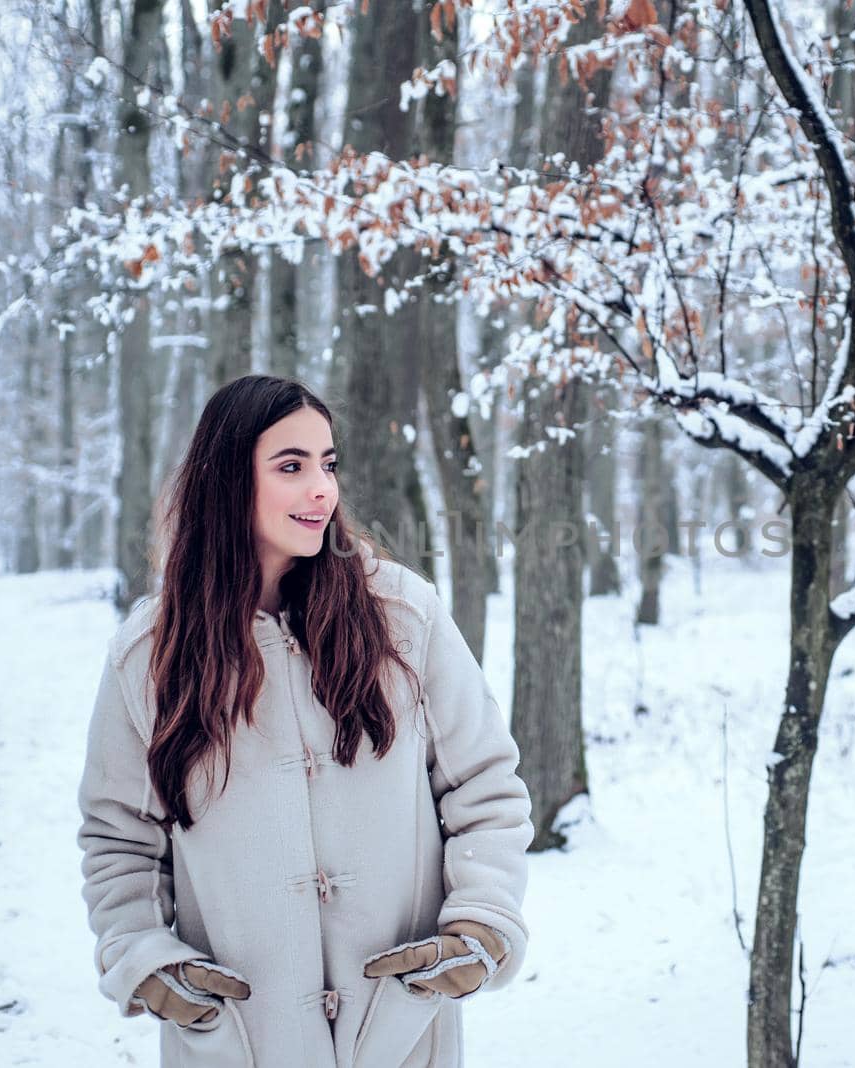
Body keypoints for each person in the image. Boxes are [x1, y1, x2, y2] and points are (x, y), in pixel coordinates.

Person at [77, 375, 534, 1067]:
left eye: (329, 463)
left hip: (400, 1028)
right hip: (238, 1041)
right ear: (226, 480)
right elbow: (119, 841)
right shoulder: (149, 655)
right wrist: (145, 957)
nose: (322, 488)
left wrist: (479, 922)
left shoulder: (403, 618)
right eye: (292, 466)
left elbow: (487, 788)